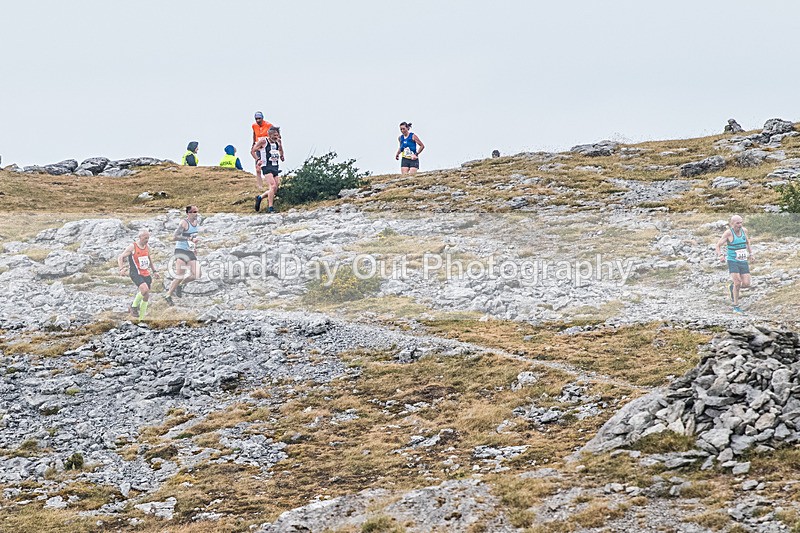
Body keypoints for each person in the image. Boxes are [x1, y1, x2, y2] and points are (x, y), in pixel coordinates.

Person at [715, 215, 754, 313]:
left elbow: (747, 242)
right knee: (737, 283)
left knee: (746, 284)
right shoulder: (728, 233)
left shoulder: (744, 231)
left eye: (741, 222)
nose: (740, 225)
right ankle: (735, 306)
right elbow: (718, 245)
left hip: (743, 260)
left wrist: (751, 254)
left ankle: (732, 287)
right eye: (737, 223)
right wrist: (720, 255)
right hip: (733, 260)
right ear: (732, 224)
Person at [118, 229, 159, 320]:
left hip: (146, 273)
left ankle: (141, 319)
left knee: (146, 295)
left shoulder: (147, 247)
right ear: (140, 237)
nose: (147, 240)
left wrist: (154, 271)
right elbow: (120, 257)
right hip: (135, 273)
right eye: (145, 238)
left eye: (148, 238)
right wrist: (121, 269)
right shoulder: (133, 247)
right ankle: (133, 306)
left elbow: (149, 259)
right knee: (144, 290)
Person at [165, 205, 201, 305]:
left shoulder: (196, 222)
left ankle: (180, 285)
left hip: (190, 250)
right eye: (194, 212)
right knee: (180, 275)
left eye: (197, 211)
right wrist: (189, 239)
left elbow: (193, 236)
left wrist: (194, 247)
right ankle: (168, 295)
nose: (196, 213)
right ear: (188, 213)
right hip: (180, 250)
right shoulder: (184, 223)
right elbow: (175, 237)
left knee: (197, 274)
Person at [251, 126, 284, 213]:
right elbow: (253, 151)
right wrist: (258, 159)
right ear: (269, 135)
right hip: (266, 166)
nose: (276, 137)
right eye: (274, 135)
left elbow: (280, 149)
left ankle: (260, 197)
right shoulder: (263, 141)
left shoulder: (278, 142)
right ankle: (270, 207)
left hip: (275, 166)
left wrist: (282, 156)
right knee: (272, 186)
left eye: (277, 135)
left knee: (275, 189)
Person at [252, 112, 274, 186]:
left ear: (262, 118)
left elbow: (275, 135)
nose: (258, 120)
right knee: (258, 167)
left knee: (268, 166)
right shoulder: (254, 126)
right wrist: (253, 144)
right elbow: (254, 134)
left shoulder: (269, 125)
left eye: (259, 119)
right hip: (258, 148)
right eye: (256, 119)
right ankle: (260, 185)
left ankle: (270, 182)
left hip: (267, 148)